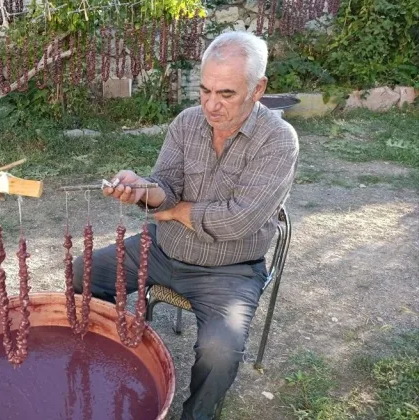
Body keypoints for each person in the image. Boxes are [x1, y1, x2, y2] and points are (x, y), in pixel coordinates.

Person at [72, 31, 299, 419]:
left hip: (229, 269)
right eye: (205, 90)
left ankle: (197, 415)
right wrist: (143, 191)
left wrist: (175, 212)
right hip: (163, 248)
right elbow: (167, 186)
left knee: (220, 351)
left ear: (257, 88)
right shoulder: (186, 122)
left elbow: (239, 219)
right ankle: (111, 356)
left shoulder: (279, 140)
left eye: (226, 94)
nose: (211, 105)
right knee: (82, 272)